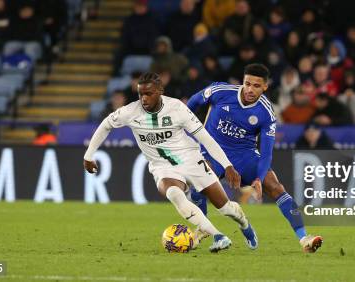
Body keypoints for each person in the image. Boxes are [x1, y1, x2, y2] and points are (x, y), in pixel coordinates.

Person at [83, 72, 258, 253]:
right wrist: (88, 155)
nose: (144, 99)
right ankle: (218, 236)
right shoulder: (130, 111)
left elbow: (205, 138)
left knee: (226, 208)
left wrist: (227, 165)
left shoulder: (177, 109)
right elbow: (106, 124)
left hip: (190, 159)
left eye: (148, 94)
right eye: (140, 94)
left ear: (160, 91)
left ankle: (245, 225)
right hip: (162, 166)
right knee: (174, 193)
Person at [187, 64, 323, 253]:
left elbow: (266, 152)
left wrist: (258, 178)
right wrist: (187, 131)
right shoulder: (220, 91)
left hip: (244, 155)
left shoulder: (266, 112)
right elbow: (192, 104)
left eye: (256, 86)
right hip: (213, 152)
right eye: (247, 83)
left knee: (275, 186)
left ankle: (304, 238)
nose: (250, 89)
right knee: (197, 185)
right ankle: (203, 228)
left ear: (265, 87)